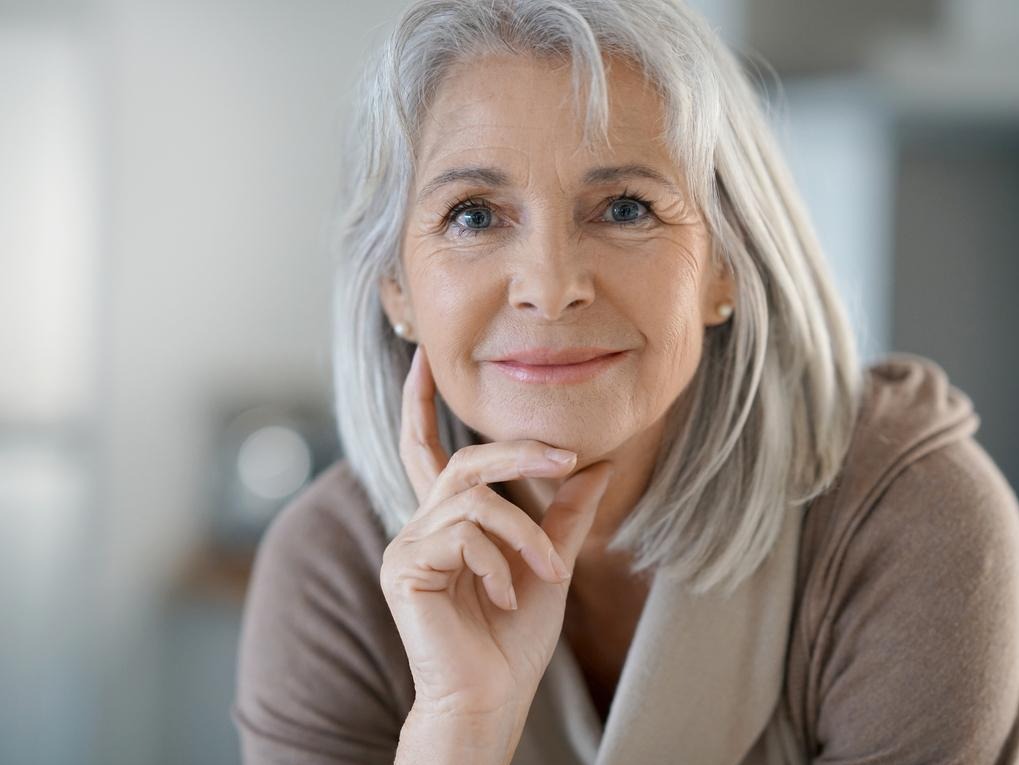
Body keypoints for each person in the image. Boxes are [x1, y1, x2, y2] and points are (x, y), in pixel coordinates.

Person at [231, 1, 1019, 763]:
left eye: (623, 207)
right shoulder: (333, 567)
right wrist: (457, 727)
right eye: (473, 215)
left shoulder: (909, 523)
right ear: (395, 286)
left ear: (725, 266)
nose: (548, 284)